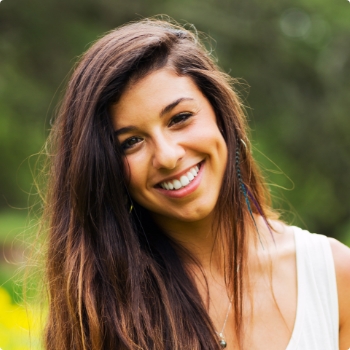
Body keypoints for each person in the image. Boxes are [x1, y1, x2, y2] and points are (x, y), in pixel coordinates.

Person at [42, 18, 350, 349]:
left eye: (179, 119)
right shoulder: (102, 311)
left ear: (222, 117)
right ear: (106, 170)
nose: (168, 156)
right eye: (131, 142)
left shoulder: (333, 275)